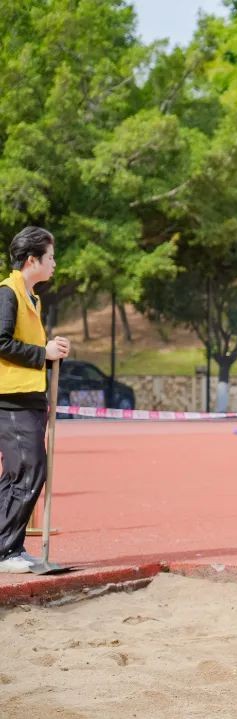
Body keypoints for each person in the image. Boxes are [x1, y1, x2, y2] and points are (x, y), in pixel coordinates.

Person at [0, 227, 70, 574]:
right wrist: (43, 352)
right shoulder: (8, 292)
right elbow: (1, 342)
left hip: (29, 396)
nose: (54, 263)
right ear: (32, 260)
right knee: (29, 469)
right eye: (51, 257)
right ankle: (4, 550)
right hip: (10, 398)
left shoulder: (33, 298)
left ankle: (10, 545)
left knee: (21, 471)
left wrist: (52, 353)